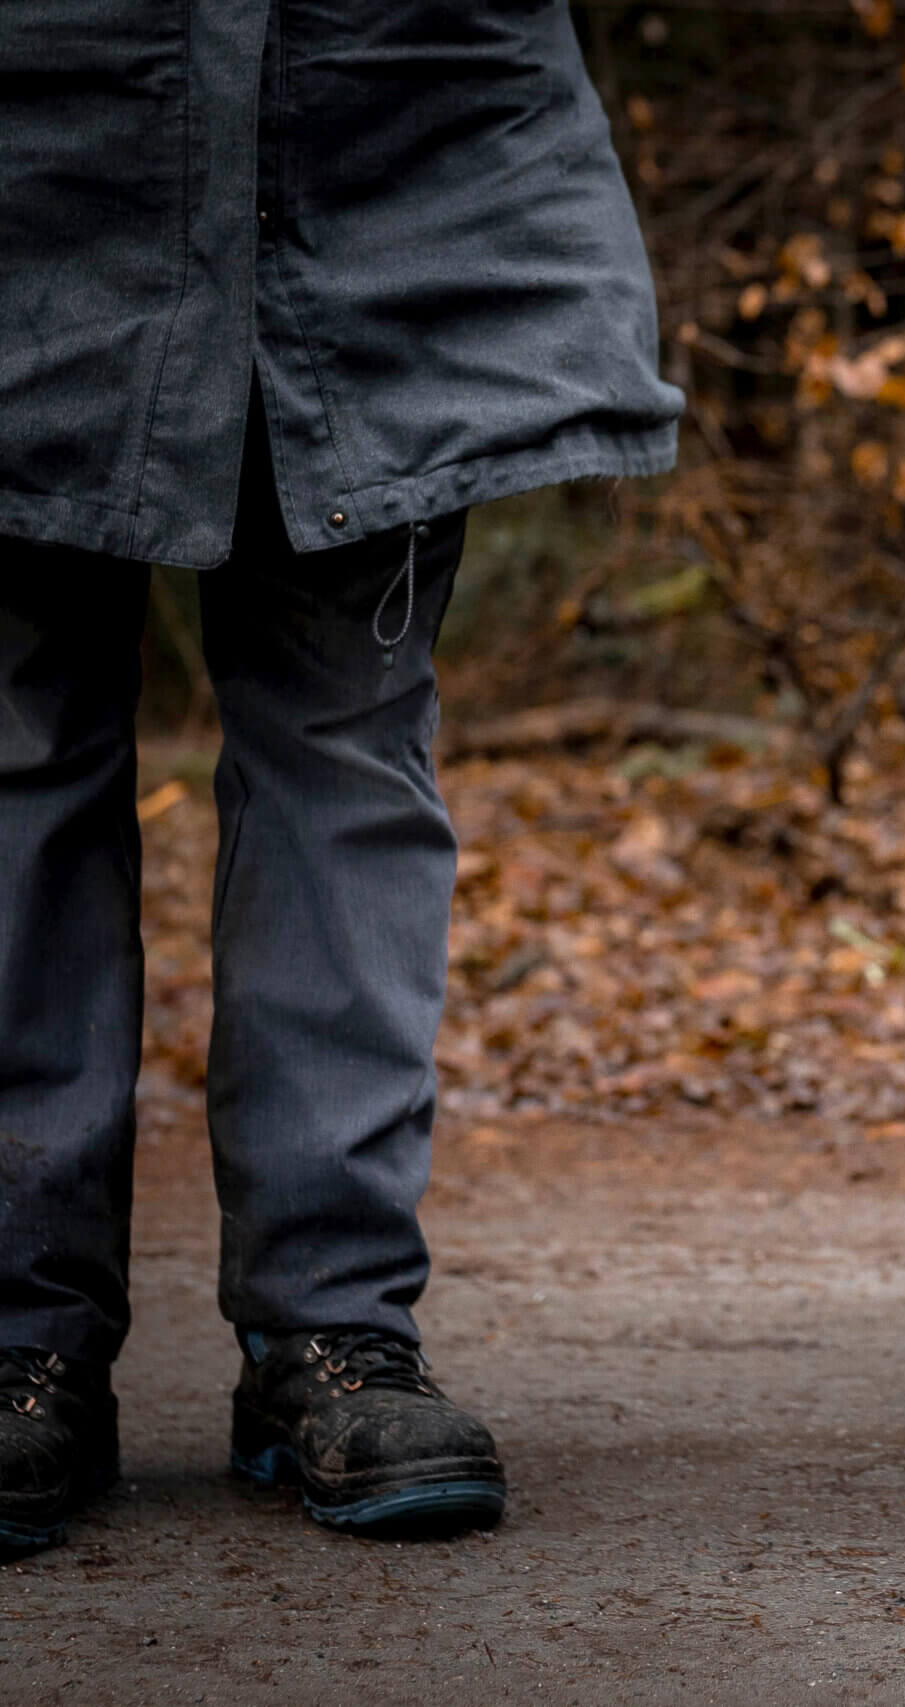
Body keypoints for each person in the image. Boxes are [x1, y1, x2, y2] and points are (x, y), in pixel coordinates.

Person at [0, 3, 681, 1551]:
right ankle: (16, 1337)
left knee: (348, 750)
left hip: (396, 143)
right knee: (18, 757)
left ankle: (334, 1330)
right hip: (43, 135)